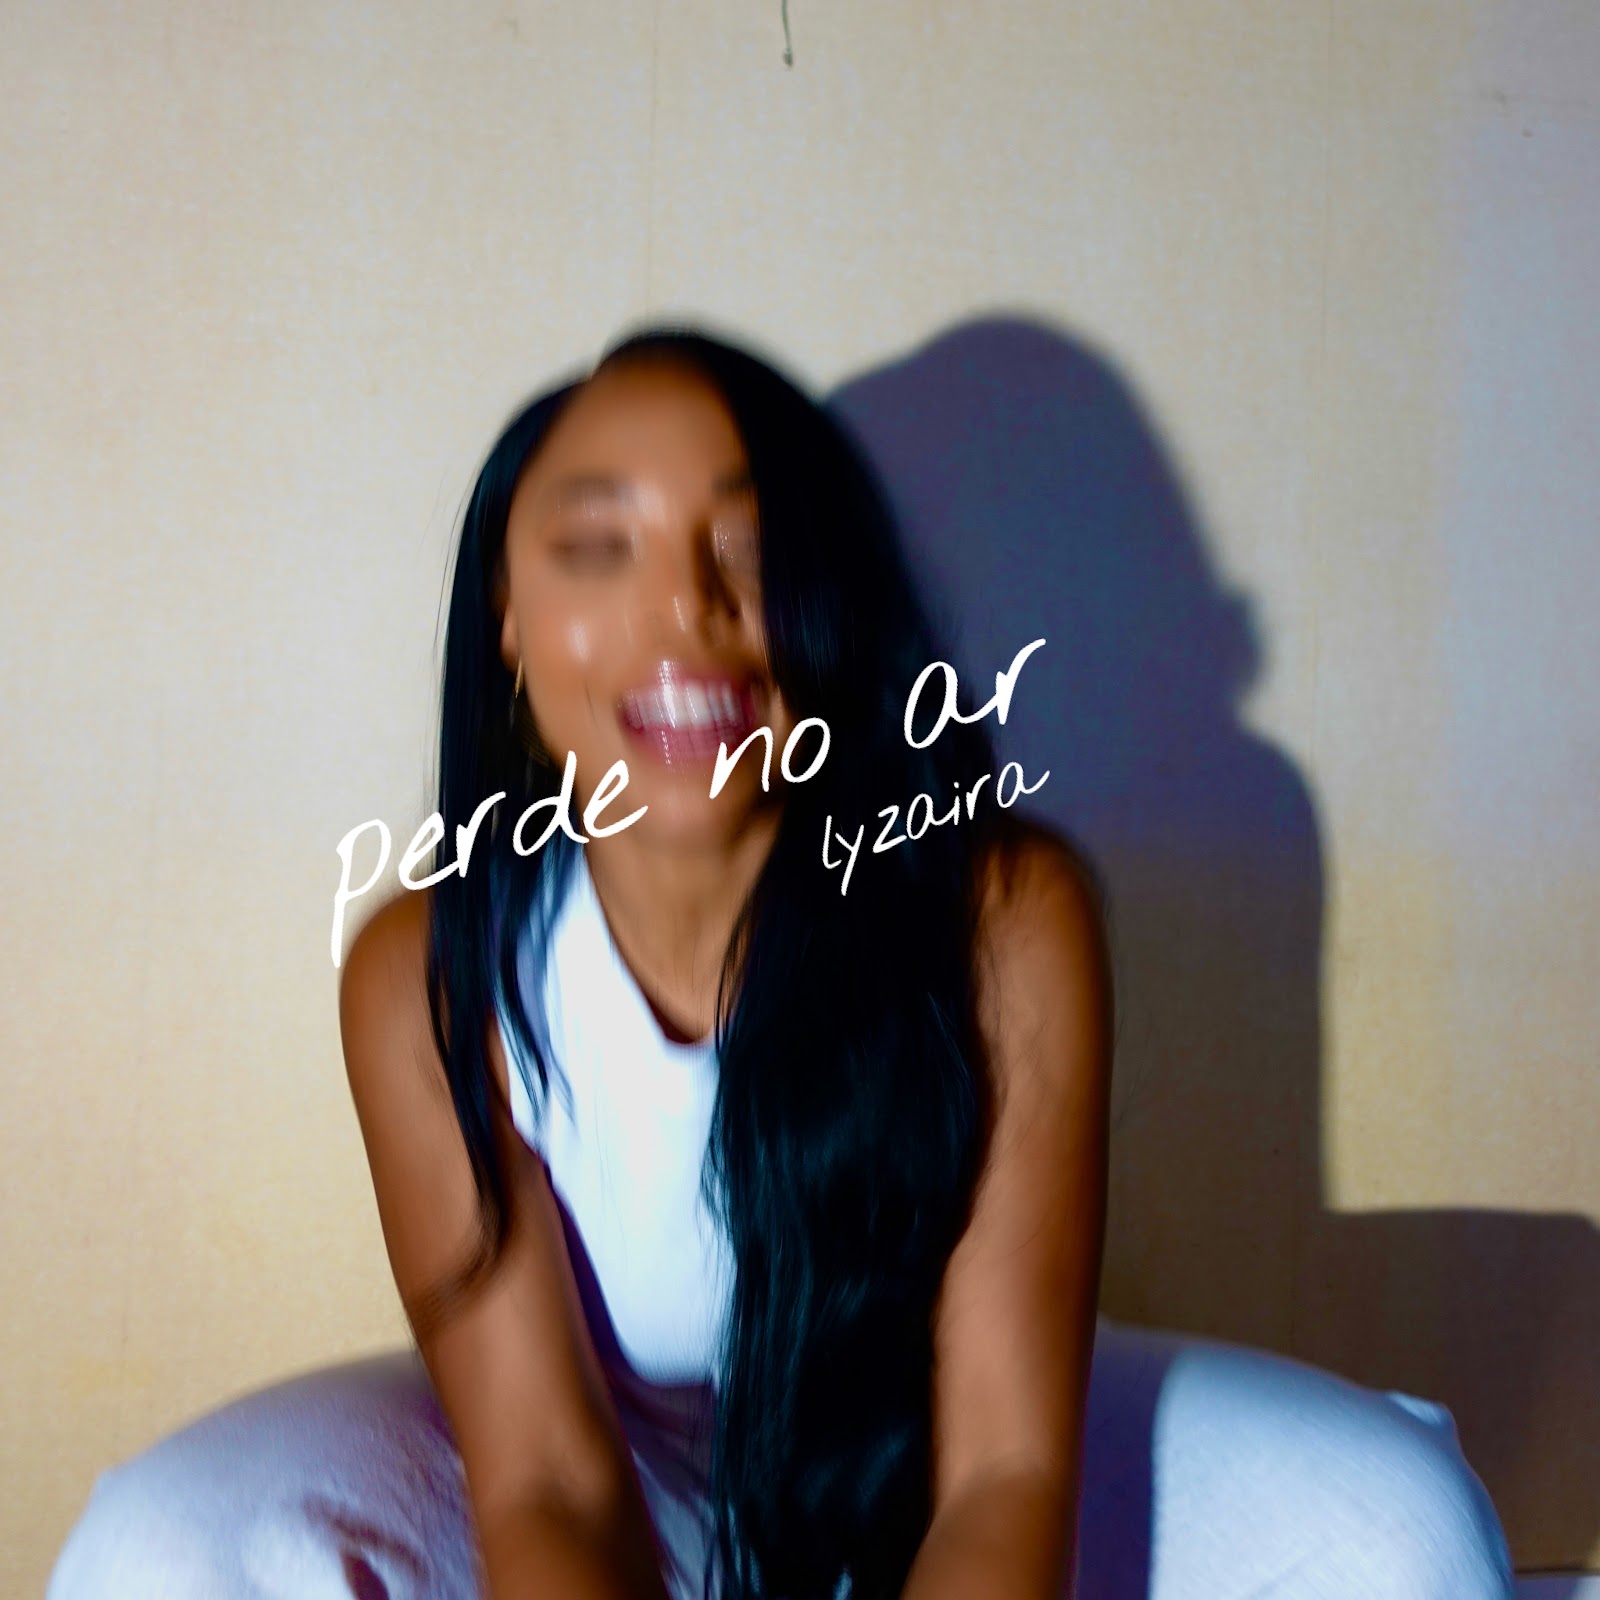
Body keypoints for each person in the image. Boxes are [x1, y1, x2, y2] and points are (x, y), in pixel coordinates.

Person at [48, 327, 1515, 1600]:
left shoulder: (1002, 911)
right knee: (158, 1549)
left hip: (938, 1449)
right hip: (624, 1477)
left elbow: (1004, 1473)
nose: (687, 610)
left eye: (751, 548)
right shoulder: (427, 972)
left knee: (1398, 1528)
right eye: (599, 547)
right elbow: (545, 1479)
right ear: (507, 617)